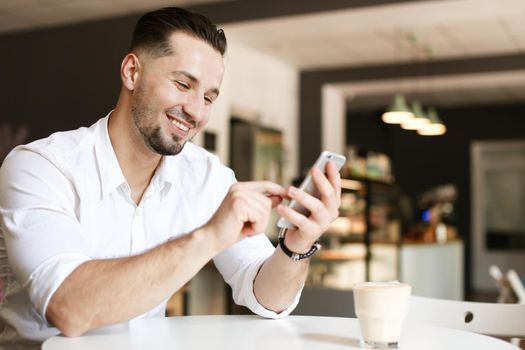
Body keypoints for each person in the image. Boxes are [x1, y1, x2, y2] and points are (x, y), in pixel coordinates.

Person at [0, 7, 341, 349]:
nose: (196, 110)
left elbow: (265, 297)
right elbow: (69, 308)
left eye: (208, 97)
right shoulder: (40, 167)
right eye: (182, 84)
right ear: (132, 72)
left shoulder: (206, 175)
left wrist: (295, 246)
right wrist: (208, 237)